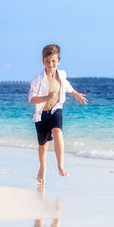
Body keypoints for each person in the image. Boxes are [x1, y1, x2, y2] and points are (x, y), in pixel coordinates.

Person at [28, 44, 88, 183]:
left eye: (54, 61)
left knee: (57, 132)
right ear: (43, 61)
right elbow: (31, 99)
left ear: (58, 61)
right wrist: (46, 98)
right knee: (43, 145)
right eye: (48, 61)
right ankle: (42, 168)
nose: (50, 64)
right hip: (41, 114)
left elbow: (66, 86)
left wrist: (75, 93)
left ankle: (60, 166)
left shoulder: (61, 75)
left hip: (56, 110)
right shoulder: (38, 79)